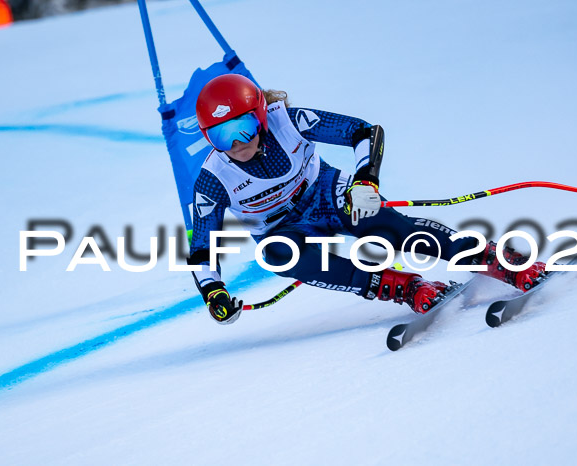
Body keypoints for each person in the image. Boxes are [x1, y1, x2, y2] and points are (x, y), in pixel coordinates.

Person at [189, 74, 545, 324]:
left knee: (386, 227)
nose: (237, 144)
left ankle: (495, 259)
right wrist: (213, 292)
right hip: (282, 229)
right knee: (277, 255)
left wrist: (365, 180)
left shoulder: (288, 122)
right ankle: (401, 286)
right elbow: (202, 247)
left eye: (244, 127)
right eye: (221, 136)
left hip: (327, 193)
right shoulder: (213, 178)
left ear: (262, 115)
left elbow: (363, 131)